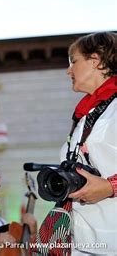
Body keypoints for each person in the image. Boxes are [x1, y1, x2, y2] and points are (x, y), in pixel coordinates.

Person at [60, 32, 117, 255]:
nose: (68, 70)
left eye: (73, 61)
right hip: (83, 242)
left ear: (96, 61)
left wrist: (110, 187)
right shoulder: (85, 114)